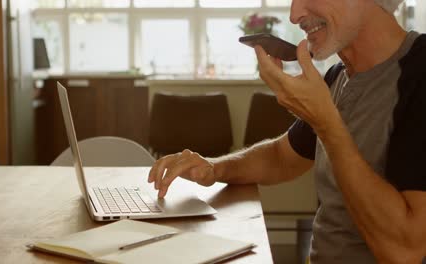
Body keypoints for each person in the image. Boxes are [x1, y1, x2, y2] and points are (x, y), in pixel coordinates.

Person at [148, 0, 426, 263]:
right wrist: (213, 168)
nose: (294, 15)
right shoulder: (338, 77)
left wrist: (327, 124)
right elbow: (282, 156)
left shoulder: (419, 72)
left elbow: (403, 251)